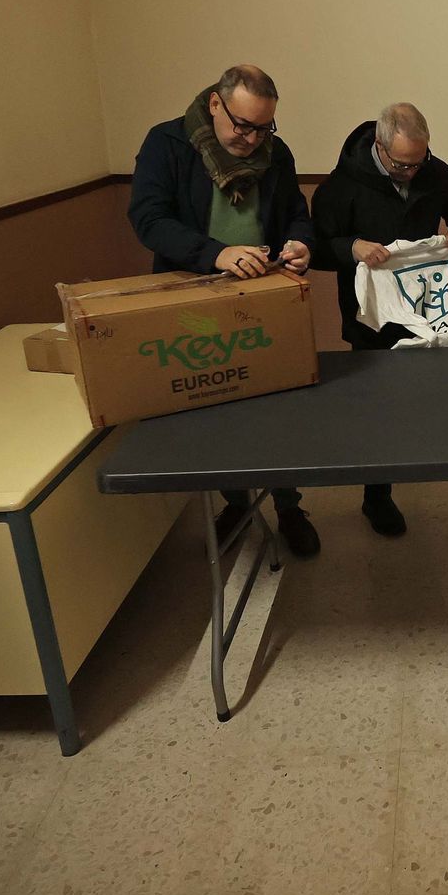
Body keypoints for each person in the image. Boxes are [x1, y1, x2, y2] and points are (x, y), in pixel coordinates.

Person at [127, 64, 321, 558]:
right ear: (215, 104)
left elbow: (296, 211)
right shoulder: (167, 144)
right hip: (195, 296)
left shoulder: (275, 154)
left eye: (263, 129)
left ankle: (289, 506)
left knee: (277, 409)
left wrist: (299, 241)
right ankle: (237, 500)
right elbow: (149, 219)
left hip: (262, 295)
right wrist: (214, 252)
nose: (252, 140)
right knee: (216, 406)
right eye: (242, 125)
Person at [310, 102, 448, 535]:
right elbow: (317, 246)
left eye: (417, 162)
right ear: (380, 147)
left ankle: (427, 462)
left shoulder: (434, 171)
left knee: (424, 397)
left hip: (425, 309)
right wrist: (353, 248)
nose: (410, 172)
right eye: (401, 164)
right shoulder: (340, 186)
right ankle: (377, 496)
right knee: (377, 410)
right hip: (370, 319)